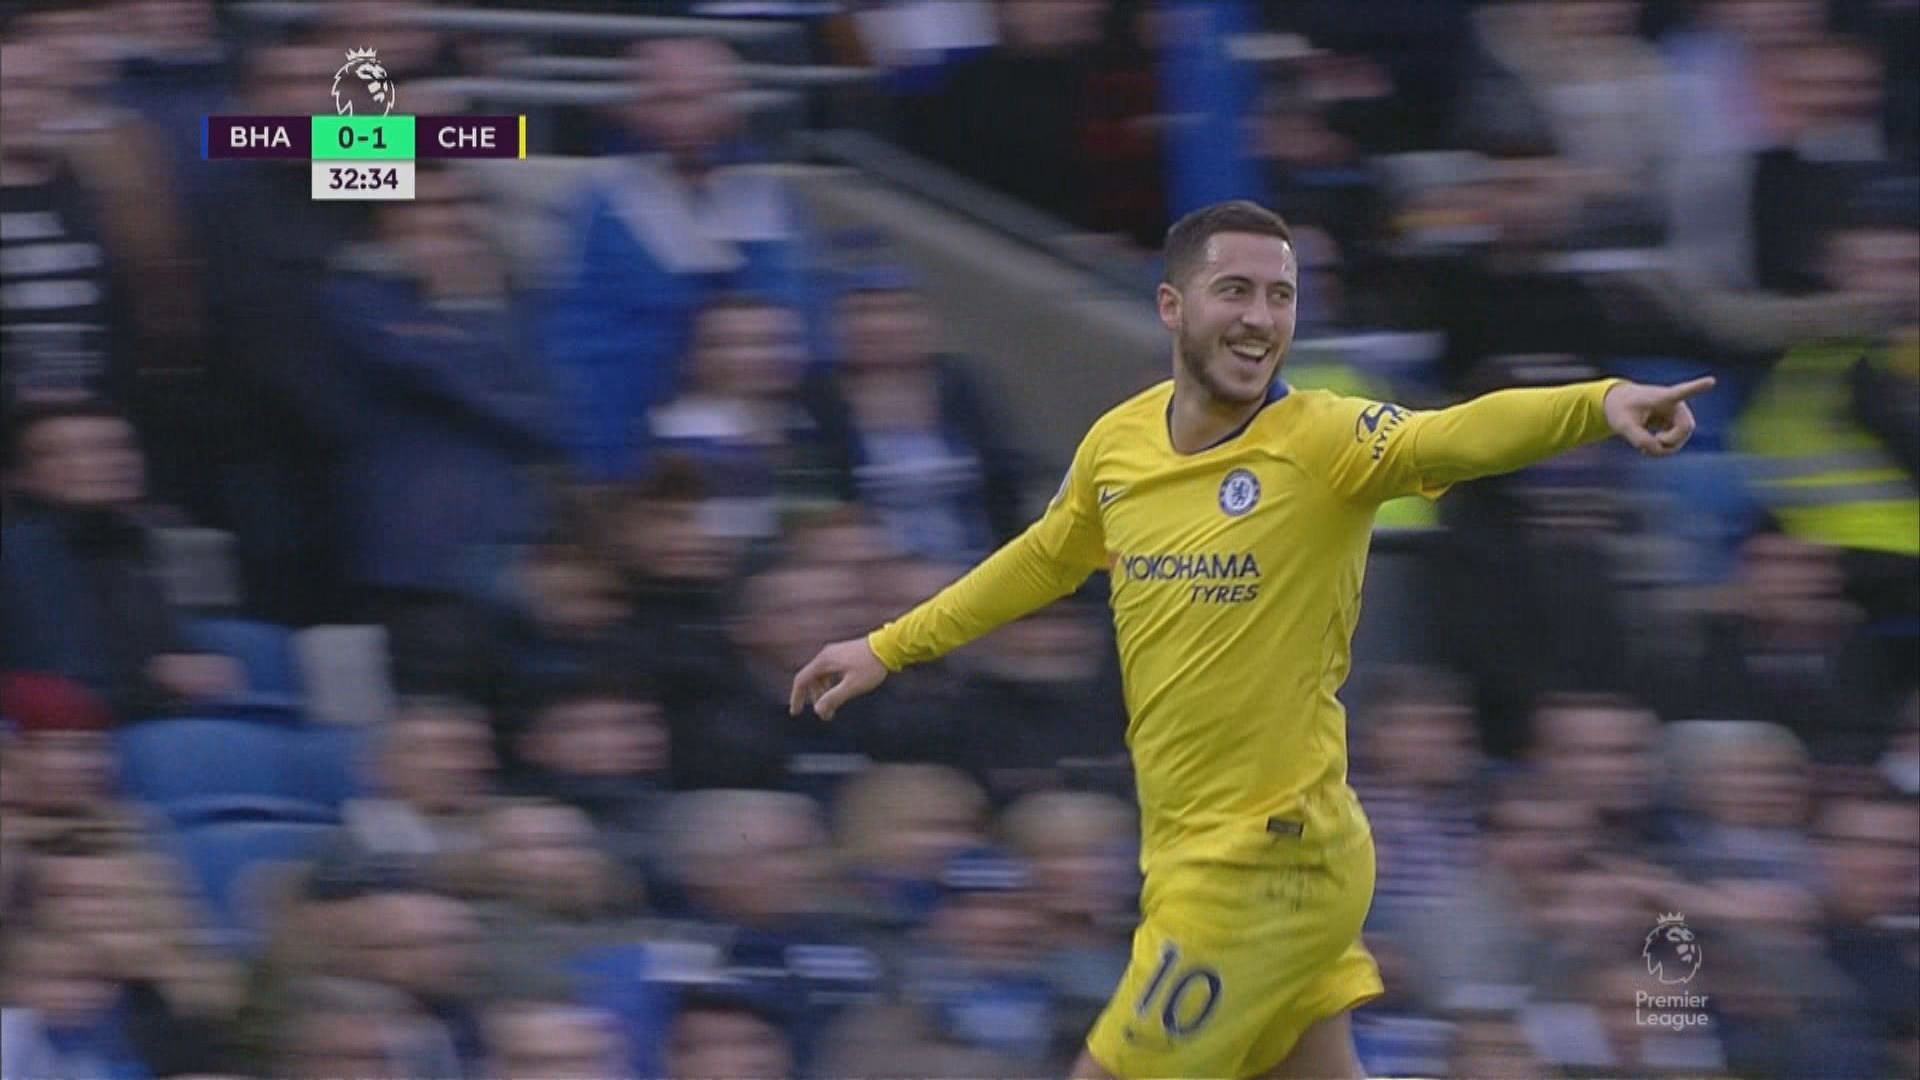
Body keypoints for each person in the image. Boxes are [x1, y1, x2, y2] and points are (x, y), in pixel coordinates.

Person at [789, 199, 1716, 1079]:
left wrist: (1598, 403)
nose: (1260, 318)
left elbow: (1455, 435)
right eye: (1234, 290)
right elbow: (1040, 560)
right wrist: (887, 647)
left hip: (1266, 864)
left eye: (1281, 295)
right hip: (1194, 851)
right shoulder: (1119, 444)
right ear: (1171, 306)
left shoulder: (1325, 438)